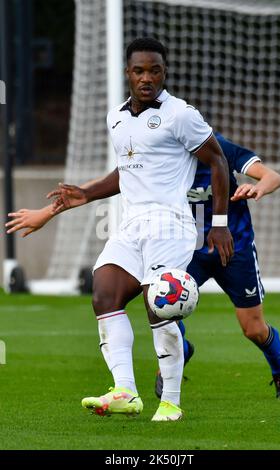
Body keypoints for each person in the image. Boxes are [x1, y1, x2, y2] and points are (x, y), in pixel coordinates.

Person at [6, 38, 234, 421]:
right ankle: (125, 390)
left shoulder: (181, 114)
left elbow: (219, 163)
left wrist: (221, 224)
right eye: (139, 70)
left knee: (160, 303)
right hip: (130, 225)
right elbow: (126, 172)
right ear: (127, 73)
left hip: (171, 224)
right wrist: (83, 194)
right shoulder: (116, 117)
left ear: (165, 72)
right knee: (104, 292)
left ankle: (171, 402)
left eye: (155, 70)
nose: (147, 78)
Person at [155, 132, 280, 400]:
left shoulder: (219, 147)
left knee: (253, 328)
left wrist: (258, 188)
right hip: (189, 250)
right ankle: (179, 352)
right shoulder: (164, 153)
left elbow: (273, 177)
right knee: (162, 306)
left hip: (234, 249)